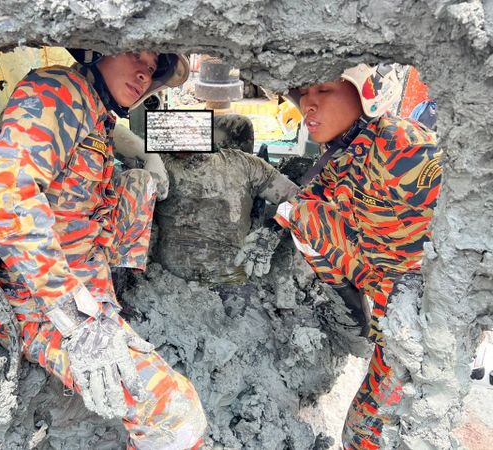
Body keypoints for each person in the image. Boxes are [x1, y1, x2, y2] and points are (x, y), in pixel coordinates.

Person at [0, 48, 207, 449]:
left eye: (152, 68)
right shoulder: (57, 91)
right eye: (135, 54)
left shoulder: (96, 111)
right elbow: (8, 203)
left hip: (83, 284)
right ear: (99, 49)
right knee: (177, 416)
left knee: (138, 183)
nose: (144, 73)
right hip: (39, 310)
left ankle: (109, 297)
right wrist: (80, 324)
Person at [274, 64, 442, 449]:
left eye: (323, 90)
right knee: (296, 213)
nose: (308, 105)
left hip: (417, 317)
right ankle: (356, 321)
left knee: (362, 434)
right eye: (303, 94)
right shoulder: (344, 150)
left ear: (366, 94)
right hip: (381, 283)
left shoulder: (403, 146)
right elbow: (311, 199)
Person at [154, 114, 300, 284]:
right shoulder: (159, 165)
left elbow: (299, 200)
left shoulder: (246, 164)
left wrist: (272, 230)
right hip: (168, 282)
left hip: (232, 280)